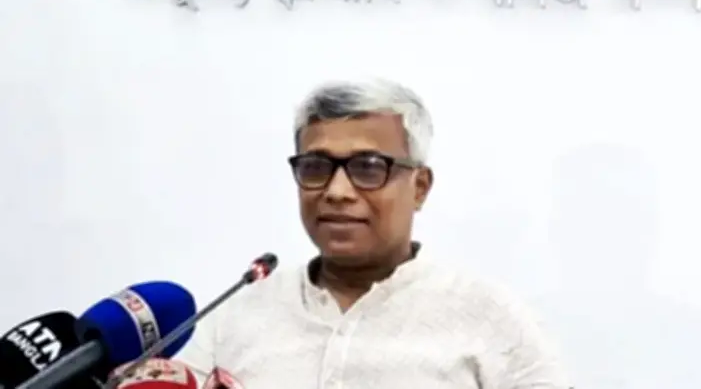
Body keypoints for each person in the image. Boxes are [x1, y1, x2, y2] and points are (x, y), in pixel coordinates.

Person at [177, 78, 571, 388]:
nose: (337, 192)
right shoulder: (237, 314)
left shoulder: (488, 316)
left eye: (368, 168)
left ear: (420, 187)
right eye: (316, 167)